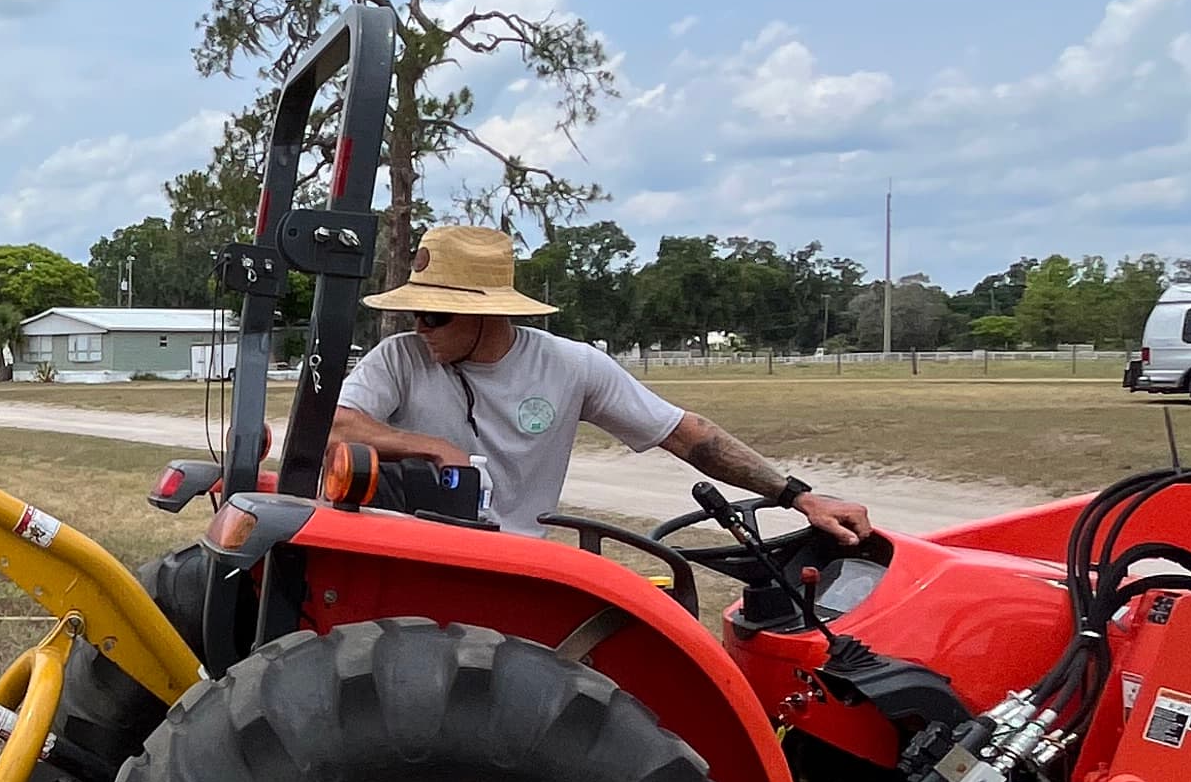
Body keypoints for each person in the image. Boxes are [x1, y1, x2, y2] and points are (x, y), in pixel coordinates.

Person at [277, 223, 875, 548]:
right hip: (412, 550)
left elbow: (688, 435)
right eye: (416, 313)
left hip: (517, 556)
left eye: (434, 315)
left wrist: (798, 496)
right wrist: (432, 447)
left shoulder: (571, 366)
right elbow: (332, 427)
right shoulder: (400, 359)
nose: (420, 328)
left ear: (489, 313)